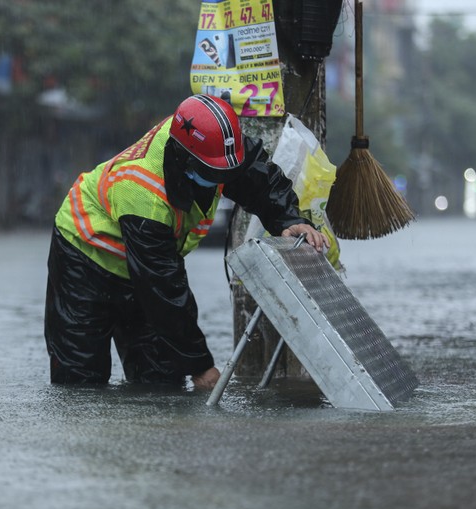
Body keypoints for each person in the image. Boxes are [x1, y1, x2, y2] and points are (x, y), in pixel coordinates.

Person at [45, 95, 328, 389]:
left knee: (161, 381)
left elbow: (257, 177)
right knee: (79, 379)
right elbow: (163, 288)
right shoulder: (144, 195)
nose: (223, 180)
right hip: (83, 260)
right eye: (214, 174)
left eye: (227, 173)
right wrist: (200, 365)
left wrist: (289, 220)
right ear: (183, 161)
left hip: (147, 265)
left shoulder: (214, 143)